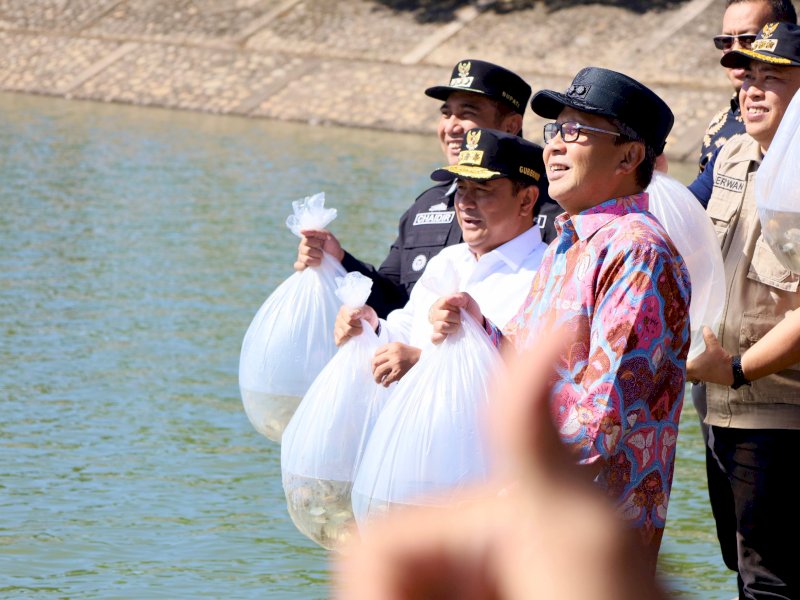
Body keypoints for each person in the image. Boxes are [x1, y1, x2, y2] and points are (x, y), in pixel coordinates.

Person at [429, 67, 691, 570]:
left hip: (588, 533)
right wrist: (478, 326)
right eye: (554, 131)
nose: (552, 147)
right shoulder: (567, 243)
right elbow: (527, 367)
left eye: (575, 132)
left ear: (630, 155)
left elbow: (602, 416)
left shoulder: (638, 251)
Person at [333, 334, 668, 600]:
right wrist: (476, 326)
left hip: (558, 533)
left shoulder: (639, 254)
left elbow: (599, 425)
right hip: (519, 532)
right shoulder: (563, 250)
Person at [293, 59, 562, 318]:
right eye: (446, 114)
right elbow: (397, 305)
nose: (451, 127)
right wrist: (338, 261)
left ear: (511, 125)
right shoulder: (426, 205)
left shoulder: (559, 213)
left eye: (467, 113)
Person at [685, 22, 800, 599]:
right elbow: (680, 229)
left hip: (779, 410)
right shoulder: (731, 152)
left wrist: (735, 368)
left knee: (772, 578)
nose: (752, 90)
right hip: (720, 405)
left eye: (772, 79)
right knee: (743, 567)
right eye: (748, 77)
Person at [334, 128, 548, 386]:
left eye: (482, 189)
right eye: (461, 187)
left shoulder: (547, 276)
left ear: (526, 200)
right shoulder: (448, 259)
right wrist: (371, 326)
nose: (465, 202)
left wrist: (421, 364)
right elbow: (407, 329)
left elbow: (532, 378)